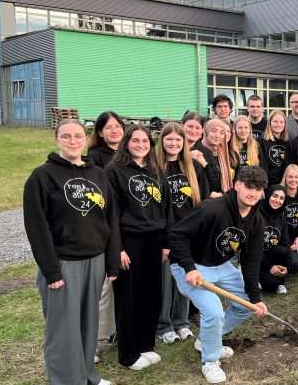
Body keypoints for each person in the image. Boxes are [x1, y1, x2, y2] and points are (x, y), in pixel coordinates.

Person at [23, 120, 120, 385]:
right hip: (64, 263)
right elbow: (37, 229)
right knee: (64, 328)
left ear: (85, 139)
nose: (73, 140)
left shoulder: (98, 174)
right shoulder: (42, 177)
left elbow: (111, 219)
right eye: (66, 136)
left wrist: (111, 261)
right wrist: (51, 271)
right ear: (57, 139)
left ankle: (87, 376)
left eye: (78, 135)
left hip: (95, 259)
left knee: (88, 323)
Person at [169, 166, 269, 384]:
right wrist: (189, 267)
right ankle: (210, 360)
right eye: (249, 187)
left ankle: (207, 339)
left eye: (258, 189)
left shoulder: (257, 221)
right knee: (214, 313)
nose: (253, 193)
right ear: (237, 185)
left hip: (221, 266)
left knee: (247, 305)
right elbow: (177, 235)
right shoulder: (212, 208)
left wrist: (256, 298)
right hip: (191, 265)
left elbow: (251, 262)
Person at [106, 125, 172, 370]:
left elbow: (166, 209)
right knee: (128, 298)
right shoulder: (114, 171)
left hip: (154, 240)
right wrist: (118, 248)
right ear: (126, 143)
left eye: (145, 141)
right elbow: (109, 213)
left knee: (151, 294)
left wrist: (166, 243)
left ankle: (146, 343)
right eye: (136, 140)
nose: (141, 145)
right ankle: (128, 353)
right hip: (129, 240)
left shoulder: (157, 172)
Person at [155, 122, 209, 344]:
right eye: (169, 139)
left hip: (189, 233)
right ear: (162, 141)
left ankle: (182, 321)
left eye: (178, 140)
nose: (174, 143)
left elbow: (204, 200)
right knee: (165, 281)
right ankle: (164, 324)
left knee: (186, 277)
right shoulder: (155, 168)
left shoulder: (192, 167)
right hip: (165, 232)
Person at [86, 110, 124, 360]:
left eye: (117, 126)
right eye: (108, 127)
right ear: (100, 132)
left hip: (129, 223)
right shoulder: (95, 157)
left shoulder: (130, 151)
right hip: (108, 223)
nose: (114, 130)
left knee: (120, 283)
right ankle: (94, 342)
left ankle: (116, 330)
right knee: (104, 287)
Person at [258, 185, 293, 294]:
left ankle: (280, 280)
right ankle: (254, 276)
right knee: (270, 284)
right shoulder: (257, 213)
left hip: (273, 256)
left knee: (282, 251)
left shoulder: (281, 217)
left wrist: (286, 267)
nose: (277, 200)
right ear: (268, 195)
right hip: (257, 258)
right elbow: (254, 247)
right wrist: (269, 267)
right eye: (275, 196)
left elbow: (286, 244)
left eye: (281, 198)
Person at [183, 112, 223, 198]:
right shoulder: (174, 149)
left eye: (197, 128)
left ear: (202, 131)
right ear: (182, 126)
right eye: (190, 126)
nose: (193, 131)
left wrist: (204, 164)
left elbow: (214, 185)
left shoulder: (206, 153)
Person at [199, 119, 232, 194]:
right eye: (214, 131)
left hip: (223, 199)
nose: (218, 135)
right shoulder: (198, 153)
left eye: (221, 133)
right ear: (206, 131)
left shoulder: (223, 153)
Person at [260, 110, 290, 186]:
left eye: (281, 122)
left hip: (285, 183)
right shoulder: (260, 141)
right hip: (266, 184)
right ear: (269, 123)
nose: (278, 124)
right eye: (275, 121)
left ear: (285, 124)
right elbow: (261, 165)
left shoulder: (289, 142)